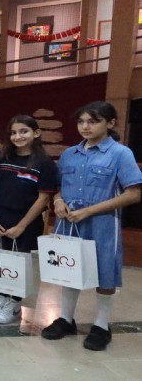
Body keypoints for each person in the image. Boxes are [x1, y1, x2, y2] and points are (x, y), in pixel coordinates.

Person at [41, 101, 141, 351]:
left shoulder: (120, 154)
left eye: (93, 121)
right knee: (67, 268)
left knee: (105, 272)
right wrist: (58, 201)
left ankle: (101, 325)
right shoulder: (69, 154)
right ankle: (66, 319)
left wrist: (89, 211)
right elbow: (58, 187)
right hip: (69, 222)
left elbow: (133, 194)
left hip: (102, 222)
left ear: (110, 123)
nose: (85, 127)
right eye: (81, 121)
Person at [0, 115, 58, 325]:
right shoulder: (3, 157)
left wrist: (21, 226)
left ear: (36, 133)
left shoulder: (44, 163)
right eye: (14, 132)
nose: (18, 136)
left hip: (25, 221)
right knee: (1, 259)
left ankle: (14, 303)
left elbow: (43, 198)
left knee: (18, 261)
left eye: (24, 131)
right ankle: (1, 297)